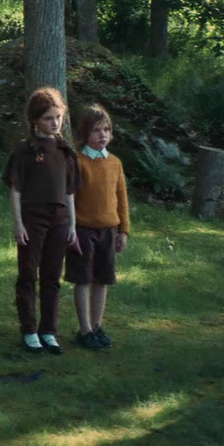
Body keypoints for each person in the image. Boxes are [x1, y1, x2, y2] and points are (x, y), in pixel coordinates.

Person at [3, 86, 79, 355]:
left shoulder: (64, 152)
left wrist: (71, 224)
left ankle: (49, 330)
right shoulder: (25, 151)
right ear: (35, 119)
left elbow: (69, 191)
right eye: (49, 118)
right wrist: (18, 223)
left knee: (52, 276)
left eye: (58, 117)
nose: (55, 123)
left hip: (59, 219)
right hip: (32, 218)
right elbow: (16, 190)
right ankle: (29, 329)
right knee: (27, 274)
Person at [67, 104, 129, 350]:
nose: (102, 135)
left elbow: (121, 198)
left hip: (108, 231)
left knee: (102, 280)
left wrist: (123, 230)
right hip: (83, 230)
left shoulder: (115, 163)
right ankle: (84, 330)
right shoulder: (78, 162)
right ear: (84, 134)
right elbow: (70, 197)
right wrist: (70, 228)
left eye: (107, 130)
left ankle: (97, 326)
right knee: (82, 279)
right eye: (96, 130)